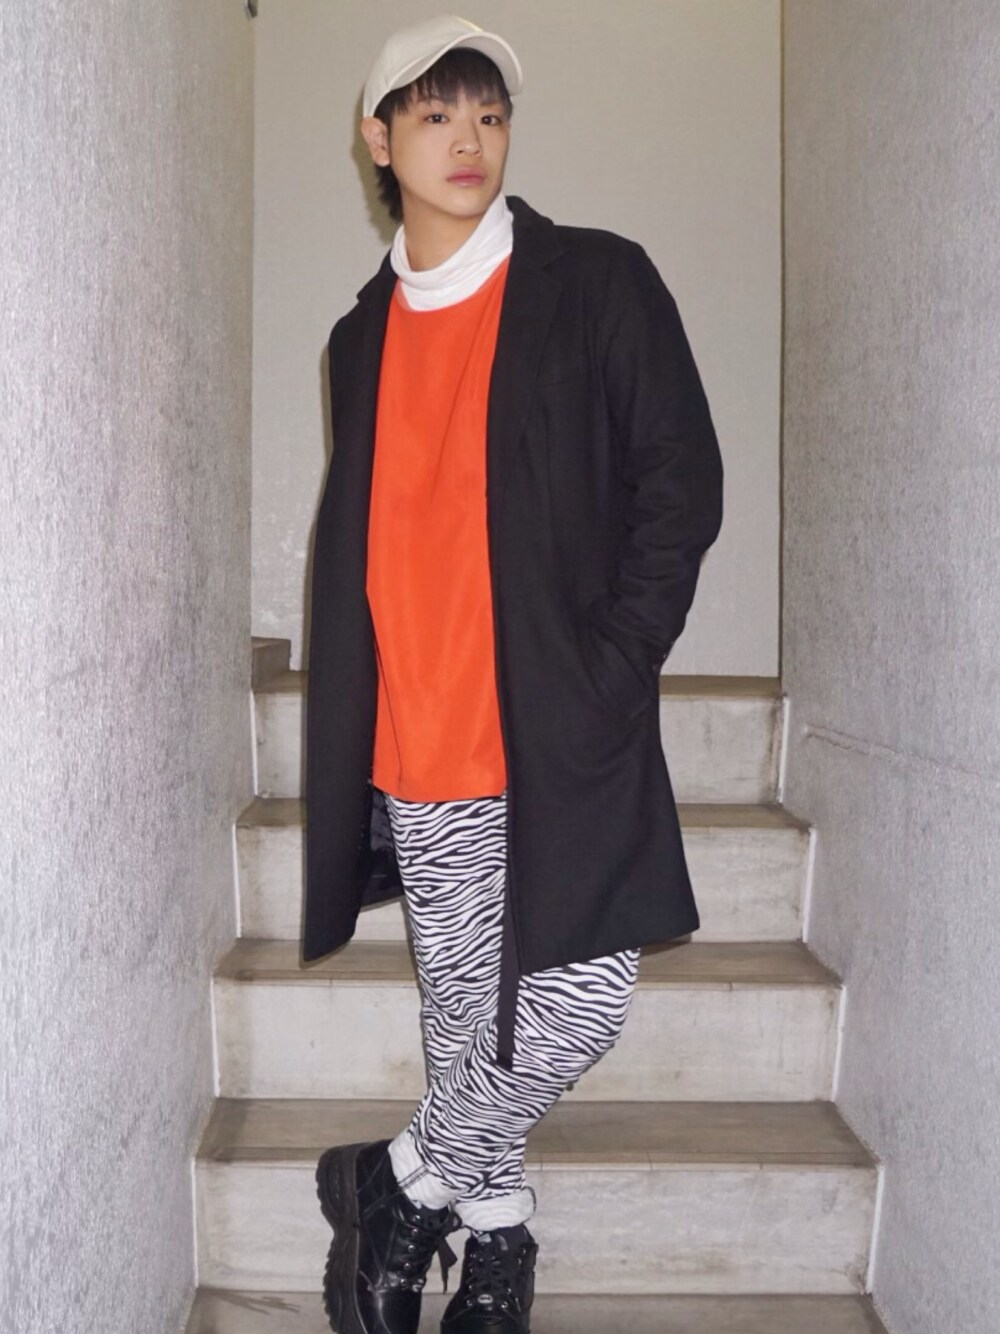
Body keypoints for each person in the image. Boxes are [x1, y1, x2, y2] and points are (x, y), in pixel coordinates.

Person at [305, 14, 724, 1333]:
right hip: (420, 730)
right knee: (469, 1015)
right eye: (435, 113)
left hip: (560, 718)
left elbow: (679, 483)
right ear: (381, 140)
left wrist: (617, 663)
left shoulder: (596, 281)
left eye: (488, 113)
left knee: (582, 1000)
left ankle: (396, 1179)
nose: (469, 140)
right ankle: (494, 1243)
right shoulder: (360, 337)